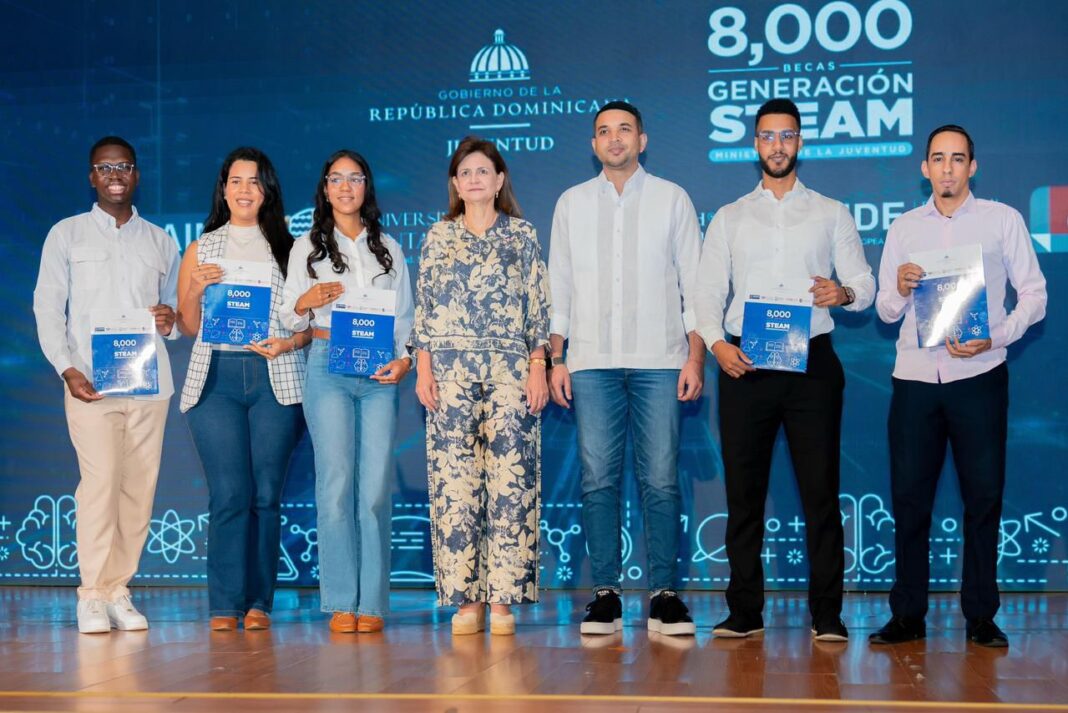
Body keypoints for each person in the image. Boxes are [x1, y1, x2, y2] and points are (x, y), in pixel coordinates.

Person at [695, 98, 875, 641]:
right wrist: (716, 346)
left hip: (811, 365)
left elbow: (864, 284)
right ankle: (745, 611)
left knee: (821, 494)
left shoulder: (830, 212)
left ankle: (828, 615)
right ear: (755, 144)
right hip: (744, 364)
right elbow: (706, 293)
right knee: (743, 496)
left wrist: (842, 293)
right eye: (768, 136)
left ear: (800, 142)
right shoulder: (729, 217)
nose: (778, 145)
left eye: (787, 135)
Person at [870, 125, 1047, 648]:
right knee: (909, 501)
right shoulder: (903, 228)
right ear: (924, 168)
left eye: (957, 158)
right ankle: (907, 615)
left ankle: (981, 616)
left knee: (984, 498)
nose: (947, 168)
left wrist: (998, 334)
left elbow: (1035, 294)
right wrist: (898, 288)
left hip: (979, 375)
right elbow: (884, 310)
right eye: (938, 158)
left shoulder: (1002, 220)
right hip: (915, 379)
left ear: (973, 166)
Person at [548, 100, 703, 637]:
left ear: (642, 140)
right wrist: (557, 357)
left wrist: (696, 354)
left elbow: (695, 287)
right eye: (604, 131)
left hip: (661, 359)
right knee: (598, 480)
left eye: (624, 130)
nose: (614, 139)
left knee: (660, 479)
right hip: (590, 362)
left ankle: (664, 595)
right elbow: (559, 286)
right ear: (594, 144)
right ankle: (606, 595)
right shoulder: (571, 203)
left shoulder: (672, 199)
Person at [33, 136, 180, 634]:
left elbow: (173, 316)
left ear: (136, 174)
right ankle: (92, 594)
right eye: (104, 167)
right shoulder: (66, 234)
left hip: (148, 384)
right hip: (91, 383)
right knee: (99, 485)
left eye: (124, 166)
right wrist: (66, 367)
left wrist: (170, 321)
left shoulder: (160, 241)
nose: (115, 174)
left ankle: (119, 590)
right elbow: (47, 307)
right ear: (91, 176)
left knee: (138, 490)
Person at [411, 136, 550, 636]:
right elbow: (425, 309)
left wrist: (539, 364)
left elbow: (538, 306)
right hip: (449, 377)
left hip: (511, 376)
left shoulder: (522, 235)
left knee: (512, 485)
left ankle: (504, 601)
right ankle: (466, 600)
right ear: (455, 183)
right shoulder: (437, 236)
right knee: (456, 490)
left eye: (482, 171)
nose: (474, 178)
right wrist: (423, 368)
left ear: (499, 179)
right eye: (465, 172)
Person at [281, 150, 414, 634]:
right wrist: (305, 300)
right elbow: (287, 316)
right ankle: (340, 599)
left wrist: (406, 358)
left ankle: (372, 603)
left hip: (378, 370)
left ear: (366, 187)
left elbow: (405, 316)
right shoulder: (306, 247)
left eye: (354, 178)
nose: (345, 186)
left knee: (374, 489)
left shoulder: (389, 247)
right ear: (325, 188)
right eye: (335, 178)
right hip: (327, 365)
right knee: (335, 486)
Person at [176, 147, 308, 631]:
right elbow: (189, 325)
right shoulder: (201, 248)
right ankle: (224, 604)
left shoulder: (291, 248)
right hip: (216, 380)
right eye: (236, 180)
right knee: (229, 493)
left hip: (275, 378)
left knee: (266, 495)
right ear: (224, 189)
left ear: (267, 190)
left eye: (254, 181)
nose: (245, 189)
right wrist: (195, 289)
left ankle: (259, 603)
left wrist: (289, 340)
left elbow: (307, 322)